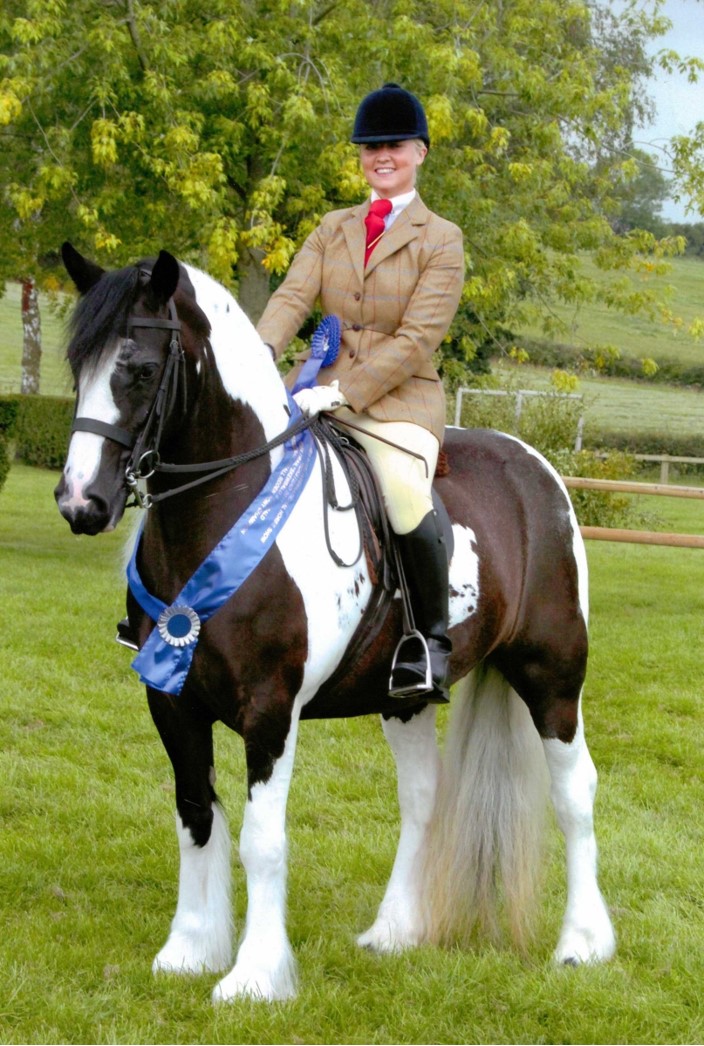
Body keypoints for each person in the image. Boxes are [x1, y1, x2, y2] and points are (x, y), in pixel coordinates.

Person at [257, 83, 465, 702]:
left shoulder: (442, 238)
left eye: (394, 145)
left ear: (420, 152)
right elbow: (293, 297)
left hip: (399, 402)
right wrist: (259, 355)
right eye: (370, 146)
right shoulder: (332, 227)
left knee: (402, 494)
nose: (381, 155)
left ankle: (429, 642)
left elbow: (417, 340)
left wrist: (344, 393)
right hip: (313, 386)